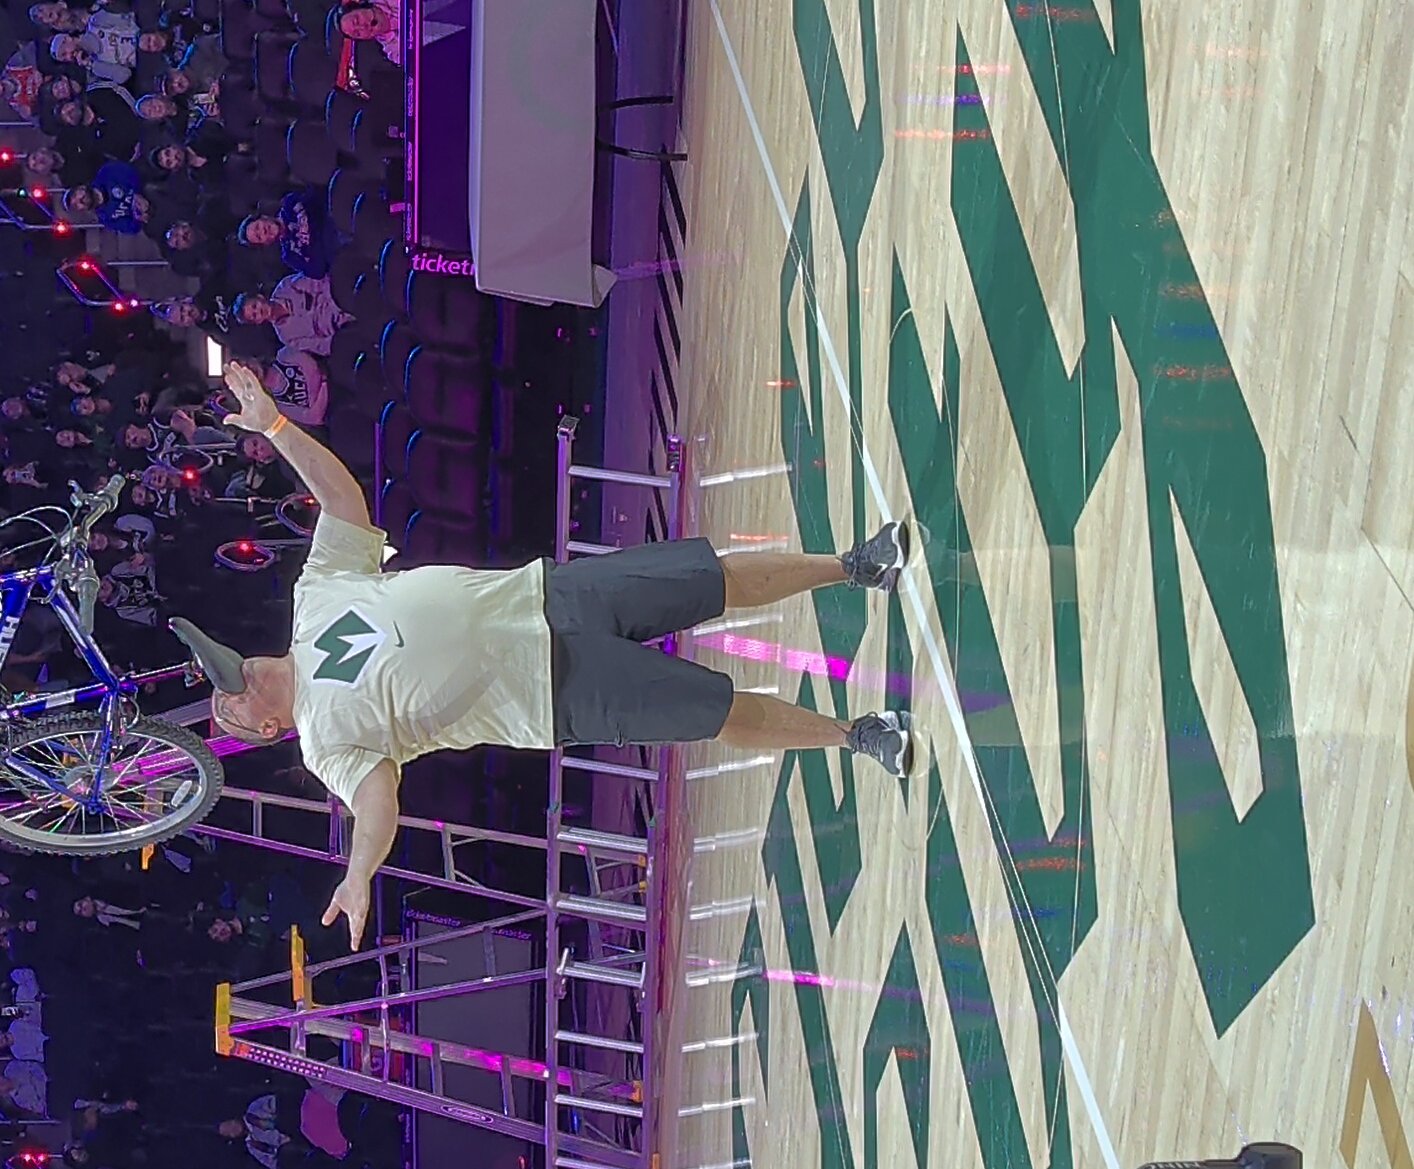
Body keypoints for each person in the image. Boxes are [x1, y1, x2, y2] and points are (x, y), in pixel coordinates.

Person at [186, 375, 910, 946]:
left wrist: (276, 427)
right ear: (262, 731)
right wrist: (358, 873)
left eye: (228, 676)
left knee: (711, 576)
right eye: (230, 703)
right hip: (549, 694)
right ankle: (855, 734)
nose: (237, 683)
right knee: (717, 712)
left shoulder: (315, 596)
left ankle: (854, 566)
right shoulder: (325, 744)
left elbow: (341, 500)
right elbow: (378, 804)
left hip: (547, 597)